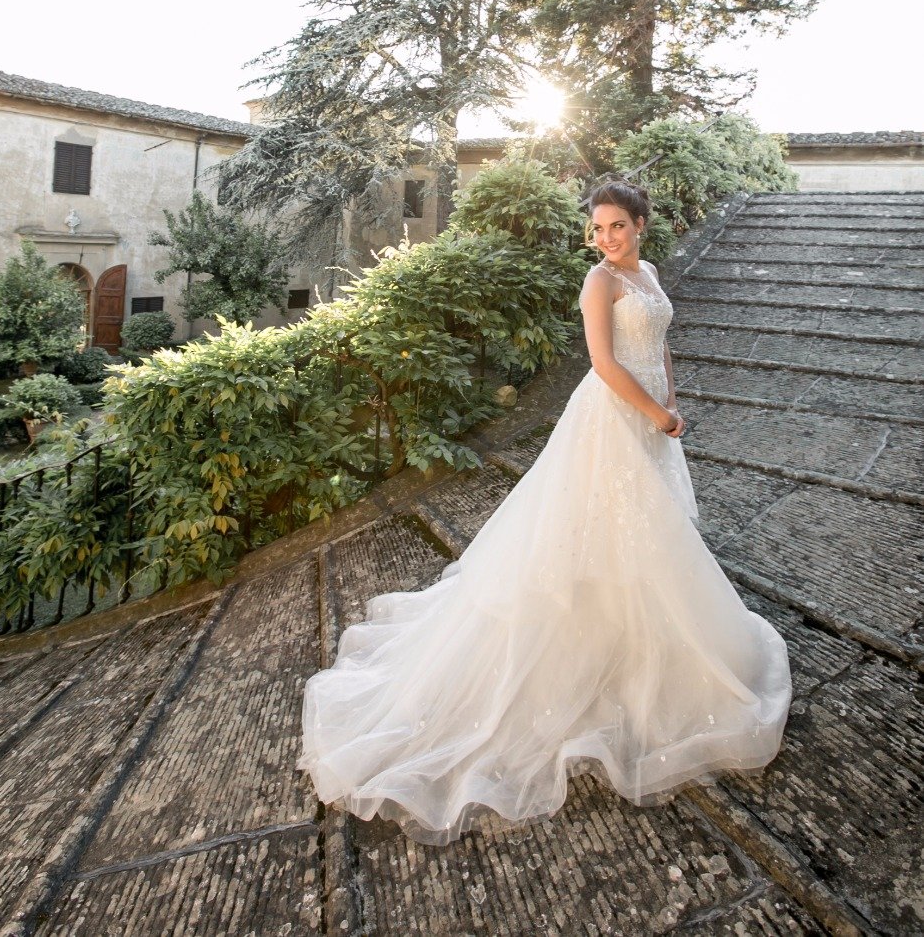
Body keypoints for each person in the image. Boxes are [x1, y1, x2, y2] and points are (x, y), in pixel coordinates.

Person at [298, 179, 792, 846]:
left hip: (650, 419)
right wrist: (654, 412)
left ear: (641, 224)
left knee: (646, 538)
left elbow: (659, 345)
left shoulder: (645, 272)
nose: (607, 237)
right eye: (599, 228)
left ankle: (632, 637)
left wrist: (670, 401)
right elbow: (605, 363)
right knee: (604, 532)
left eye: (618, 225)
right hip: (613, 419)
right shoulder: (599, 282)